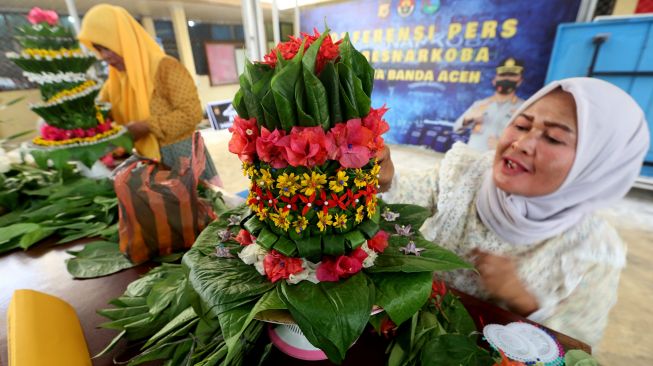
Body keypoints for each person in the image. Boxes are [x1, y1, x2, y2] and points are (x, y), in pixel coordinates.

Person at [378, 77, 650, 347]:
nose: (520, 144)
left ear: (595, 166)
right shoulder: (465, 173)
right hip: (402, 330)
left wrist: (522, 301)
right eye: (521, 125)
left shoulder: (593, 250)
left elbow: (576, 344)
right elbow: (405, 197)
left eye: (553, 138)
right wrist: (386, 178)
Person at [77, 4, 221, 184]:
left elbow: (191, 114)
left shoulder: (165, 67)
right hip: (148, 163)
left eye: (107, 47)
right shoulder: (115, 82)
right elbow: (100, 114)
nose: (104, 56)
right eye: (98, 50)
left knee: (200, 207)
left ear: (123, 40)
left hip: (183, 158)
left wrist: (146, 126)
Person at [453, 58, 525, 151]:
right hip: (472, 159)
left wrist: (504, 146)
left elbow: (526, 141)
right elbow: (456, 128)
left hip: (498, 161)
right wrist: (467, 119)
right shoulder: (480, 104)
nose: (506, 78)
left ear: (519, 81)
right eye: (503, 75)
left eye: (511, 75)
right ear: (494, 80)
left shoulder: (524, 108)